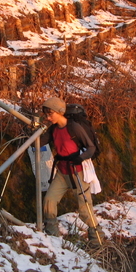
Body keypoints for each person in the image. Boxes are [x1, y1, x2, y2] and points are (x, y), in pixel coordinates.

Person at [39, 97, 105, 245]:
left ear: (60, 112)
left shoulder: (74, 127)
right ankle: (52, 236)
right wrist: (32, 131)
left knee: (85, 209)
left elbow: (91, 147)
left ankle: (98, 240)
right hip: (62, 172)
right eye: (46, 115)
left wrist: (80, 158)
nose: (48, 118)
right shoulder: (53, 129)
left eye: (50, 114)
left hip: (77, 172)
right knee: (49, 201)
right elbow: (40, 142)